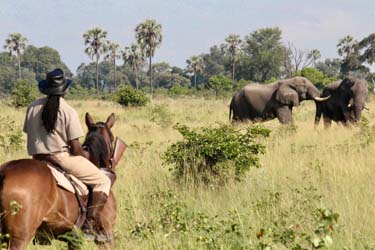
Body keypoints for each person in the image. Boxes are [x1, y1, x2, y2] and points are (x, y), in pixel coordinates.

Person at [23, 68, 111, 242]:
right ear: (64, 89)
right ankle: (90, 224)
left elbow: (29, 132)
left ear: (45, 88)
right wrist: (87, 153)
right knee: (103, 180)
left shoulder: (32, 107)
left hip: (36, 159)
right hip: (61, 159)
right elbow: (76, 150)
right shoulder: (68, 111)